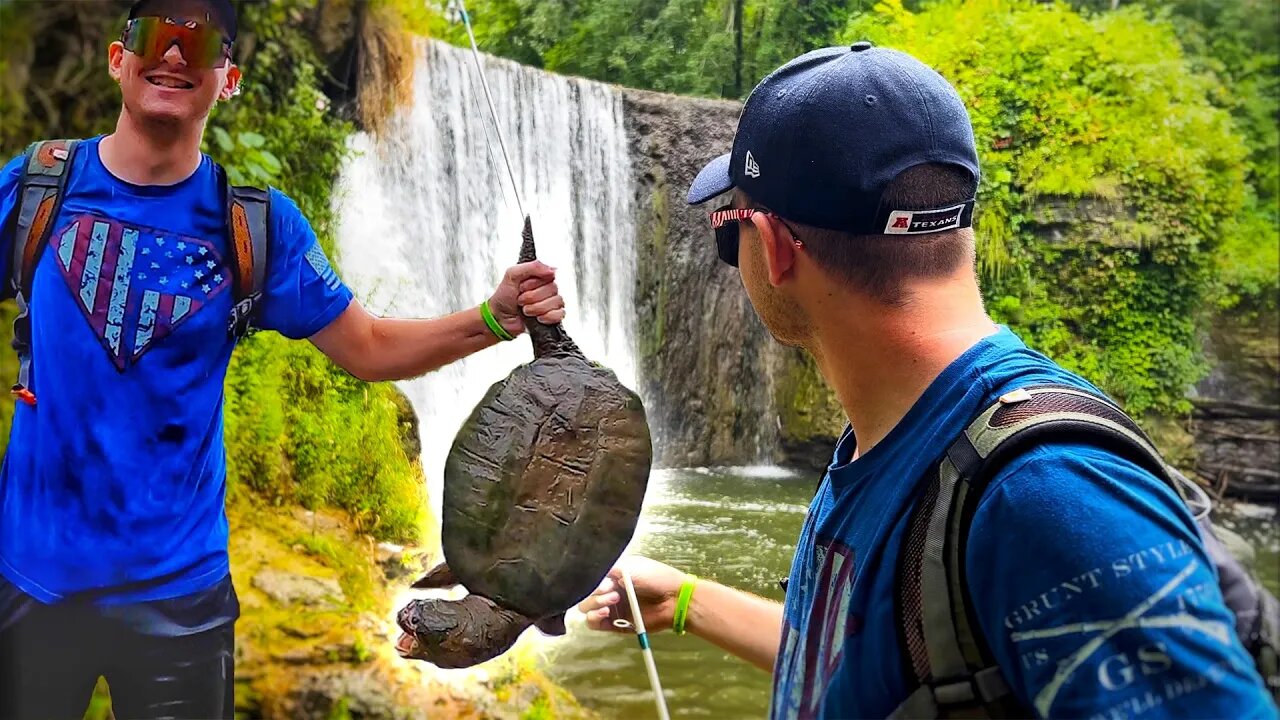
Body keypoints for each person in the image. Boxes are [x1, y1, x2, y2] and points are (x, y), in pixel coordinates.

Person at [577, 42, 1279, 718]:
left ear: (774, 245)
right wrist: (693, 603)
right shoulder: (898, 440)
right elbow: (891, 673)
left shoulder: (1051, 496)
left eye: (728, 230)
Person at [0, 1, 566, 718]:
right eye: (157, 36)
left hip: (180, 603)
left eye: (199, 43)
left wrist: (494, 318)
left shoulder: (258, 227)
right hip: (33, 585)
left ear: (226, 79)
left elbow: (365, 347)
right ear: (120, 59)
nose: (176, 55)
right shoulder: (40, 185)